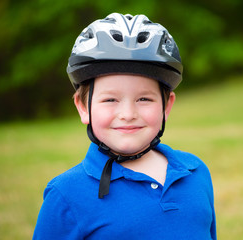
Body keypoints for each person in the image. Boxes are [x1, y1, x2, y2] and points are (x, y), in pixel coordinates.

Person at [33, 12, 216, 240]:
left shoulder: (195, 173)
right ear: (82, 107)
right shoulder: (66, 195)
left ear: (166, 106)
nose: (128, 114)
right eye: (110, 100)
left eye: (144, 99)